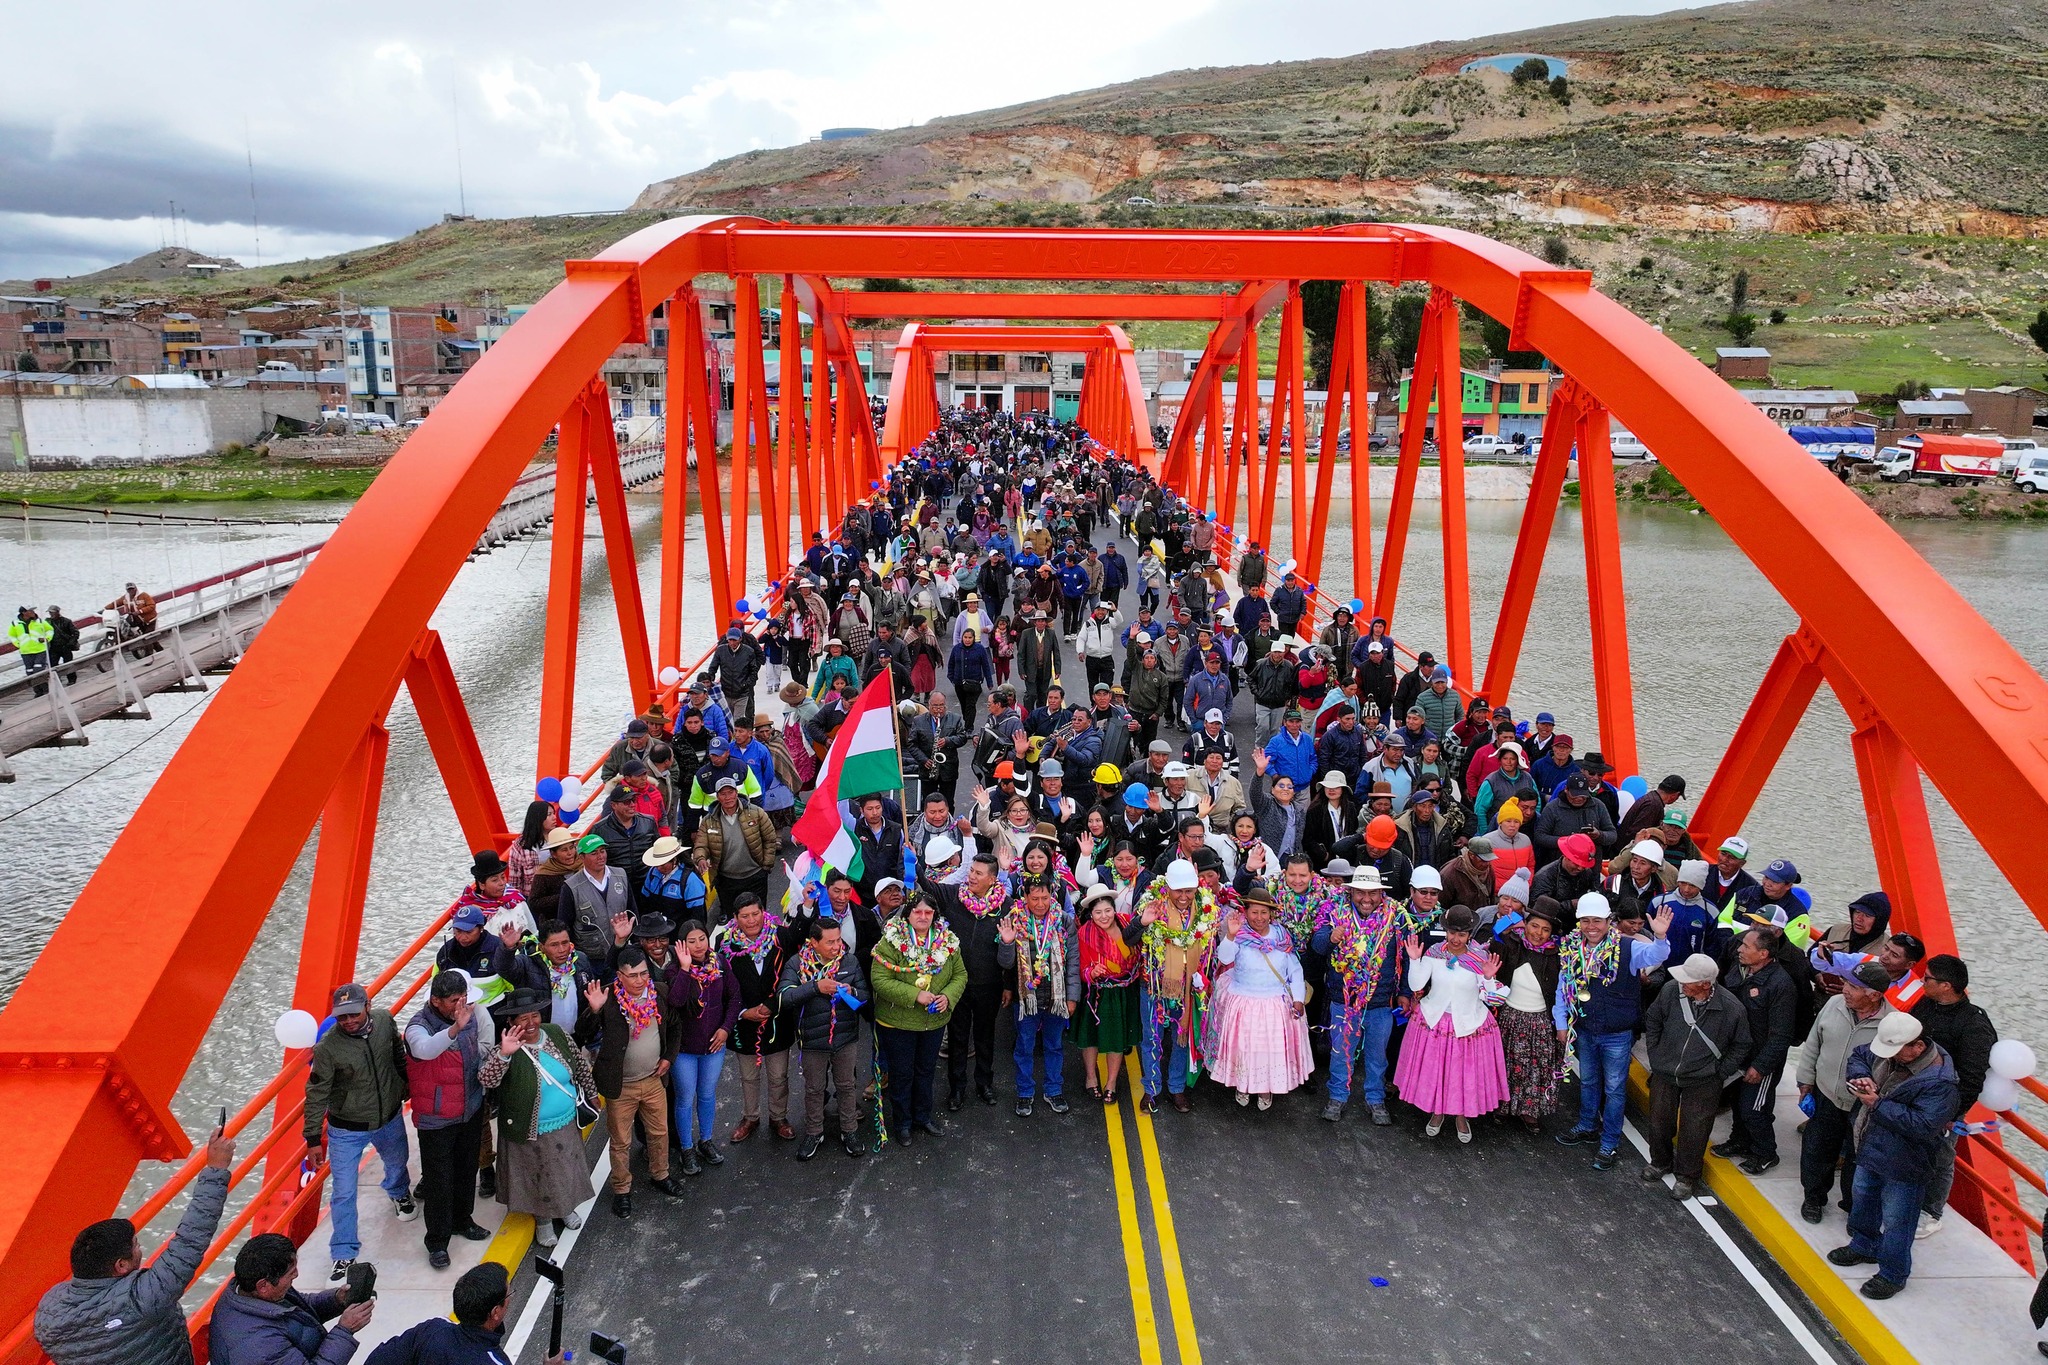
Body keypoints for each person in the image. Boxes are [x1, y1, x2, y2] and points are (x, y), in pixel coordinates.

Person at [35, 1124, 234, 1365]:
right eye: (136, 1245)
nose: (140, 1250)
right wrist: (216, 1169)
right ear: (121, 1265)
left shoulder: (49, 1312)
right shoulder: (143, 1298)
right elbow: (191, 1238)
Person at [1827, 1013, 1961, 1300]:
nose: (1891, 1056)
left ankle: (1893, 1274)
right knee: (1863, 1198)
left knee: (1898, 1219)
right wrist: (1860, 1076)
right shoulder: (1891, 1055)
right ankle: (1864, 1245)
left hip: (1906, 1163)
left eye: (1897, 1051)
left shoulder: (1940, 1082)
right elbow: (1860, 1055)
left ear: (1918, 1046)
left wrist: (1877, 1104)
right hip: (1872, 1147)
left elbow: (1923, 1126)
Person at [1553, 893, 1673, 1171]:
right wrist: (1561, 1023)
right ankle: (1586, 1125)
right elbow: (1563, 987)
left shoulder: (1628, 948)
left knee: (1615, 1089)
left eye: (1597, 920)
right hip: (1584, 1029)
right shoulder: (1571, 949)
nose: (1591, 926)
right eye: (1585, 920)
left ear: (1610, 921)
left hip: (1617, 1033)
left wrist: (1660, 937)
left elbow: (1657, 954)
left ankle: (1609, 1142)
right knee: (1589, 1082)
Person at [304, 983, 415, 1282]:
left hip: (389, 1116)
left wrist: (409, 1088)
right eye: (342, 1017)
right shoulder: (327, 1048)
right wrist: (313, 1137)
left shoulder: (385, 1022)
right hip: (346, 1128)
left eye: (353, 1013)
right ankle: (343, 1252)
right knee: (343, 1191)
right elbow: (316, 1092)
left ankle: (398, 1191)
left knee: (397, 1160)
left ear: (367, 1006)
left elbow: (398, 1057)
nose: (349, 1021)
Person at [478, 984, 599, 1250]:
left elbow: (579, 1066)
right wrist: (503, 1055)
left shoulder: (556, 1033)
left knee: (565, 1169)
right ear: (511, 1021)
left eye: (534, 1015)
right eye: (523, 1018)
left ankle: (565, 1208)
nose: (531, 1022)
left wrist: (591, 1095)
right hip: (529, 1129)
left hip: (565, 1121)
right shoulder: (505, 1048)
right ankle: (543, 1220)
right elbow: (486, 1079)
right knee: (538, 1175)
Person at [1642, 953, 1751, 1201]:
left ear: (1705, 983)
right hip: (1665, 1072)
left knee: (1696, 1129)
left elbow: (1742, 1045)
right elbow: (1654, 1018)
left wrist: (1719, 1072)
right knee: (1659, 1121)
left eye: (1688, 981)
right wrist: (1656, 1055)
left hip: (1704, 1079)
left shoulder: (1732, 1009)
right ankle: (1660, 1162)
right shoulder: (1671, 991)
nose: (1682, 984)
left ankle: (1687, 1177)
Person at [1394, 905, 1509, 1142]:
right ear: (1445, 931)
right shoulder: (1435, 953)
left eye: (1462, 934)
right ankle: (1437, 1113)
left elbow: (1493, 999)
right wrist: (1415, 962)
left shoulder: (1480, 958)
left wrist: (1488, 979)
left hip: (1468, 1024)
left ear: (1469, 934)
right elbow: (1417, 985)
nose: (1456, 939)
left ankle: (1460, 1116)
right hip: (1435, 1020)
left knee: (1462, 1075)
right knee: (1438, 1072)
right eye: (1452, 933)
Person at [404, 972, 493, 1270]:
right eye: (454, 1001)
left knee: (467, 1171)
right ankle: (437, 1241)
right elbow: (425, 1050)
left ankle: (463, 1220)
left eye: (463, 999)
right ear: (435, 1001)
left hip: (469, 1110)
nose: (461, 1005)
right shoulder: (417, 1026)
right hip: (437, 1119)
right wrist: (456, 1028)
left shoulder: (470, 1015)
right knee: (439, 1180)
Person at [1796, 961, 1894, 1225]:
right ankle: (1814, 1199)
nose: (1845, 989)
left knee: (1856, 1157)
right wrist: (1805, 1081)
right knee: (1817, 1150)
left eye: (1853, 986)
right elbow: (1813, 1043)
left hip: (1861, 1106)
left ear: (1874, 995)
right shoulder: (1833, 1004)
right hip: (1825, 1093)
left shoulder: (1890, 1024)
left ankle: (1853, 1206)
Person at [590, 946, 685, 1218]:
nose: (640, 981)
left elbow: (676, 1025)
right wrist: (594, 1011)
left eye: (644, 973)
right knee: (620, 1141)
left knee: (659, 1133)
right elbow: (585, 1034)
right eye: (632, 976)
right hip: (622, 1086)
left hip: (654, 1079)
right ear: (620, 975)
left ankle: (660, 1174)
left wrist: (669, 1057)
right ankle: (621, 1190)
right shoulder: (607, 998)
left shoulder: (660, 993)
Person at [1910, 953, 1998, 1239]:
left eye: (1928, 979)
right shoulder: (1927, 1004)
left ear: (1946, 986)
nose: (1923, 982)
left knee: (1940, 1157)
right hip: (1912, 1090)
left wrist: (1950, 1114)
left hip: (1944, 1103)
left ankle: (1931, 1212)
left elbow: (1972, 1078)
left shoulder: (1974, 1026)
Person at [870, 895, 965, 1143]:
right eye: (917, 912)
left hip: (932, 1022)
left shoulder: (946, 940)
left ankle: (923, 1117)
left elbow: (960, 975)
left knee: (925, 1071)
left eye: (928, 912)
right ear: (907, 915)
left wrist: (947, 996)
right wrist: (915, 995)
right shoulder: (891, 941)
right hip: (897, 1022)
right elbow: (879, 980)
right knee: (902, 1073)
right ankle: (902, 1123)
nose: (923, 917)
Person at [1204, 888, 1311, 1109]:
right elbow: (1224, 958)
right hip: (1244, 1001)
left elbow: (1295, 971)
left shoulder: (1282, 937)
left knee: (1268, 1050)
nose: (1259, 918)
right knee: (1244, 1048)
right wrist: (1230, 936)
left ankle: (1265, 1089)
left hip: (1274, 1004)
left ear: (1271, 914)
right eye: (1254, 912)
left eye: (1264, 912)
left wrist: (1298, 998)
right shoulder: (1239, 936)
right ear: (1246, 913)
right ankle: (1242, 1085)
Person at [1313, 866, 1404, 1126]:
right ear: (1351, 892)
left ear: (1381, 893)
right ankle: (1337, 1096)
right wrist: (1331, 936)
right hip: (1343, 1001)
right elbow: (1318, 946)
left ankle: (1375, 1099)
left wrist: (1406, 992)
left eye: (1373, 893)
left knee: (1377, 1056)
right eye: (1361, 893)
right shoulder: (1335, 913)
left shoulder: (1396, 917)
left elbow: (1407, 957)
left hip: (1380, 1002)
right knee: (1341, 1052)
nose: (1367, 899)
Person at [1709, 927, 1799, 1176]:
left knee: (1754, 1109)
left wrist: (1761, 1066)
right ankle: (1740, 1141)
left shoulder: (1780, 985)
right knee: (1738, 1102)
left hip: (1761, 1059)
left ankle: (1765, 1153)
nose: (1739, 949)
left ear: (1763, 954)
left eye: (1746, 947)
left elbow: (1781, 1035)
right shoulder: (1741, 972)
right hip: (1739, 1053)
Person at [779, 916, 871, 1160]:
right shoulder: (796, 964)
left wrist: (853, 992)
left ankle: (849, 1130)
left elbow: (865, 996)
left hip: (845, 1038)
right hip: (812, 1041)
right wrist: (815, 987)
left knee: (847, 1087)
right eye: (830, 942)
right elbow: (785, 997)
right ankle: (814, 1132)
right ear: (814, 942)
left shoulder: (849, 961)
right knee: (814, 1089)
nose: (836, 946)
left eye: (838, 939)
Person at [208, 1231, 375, 1364]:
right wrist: (345, 1330)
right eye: (291, 1274)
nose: (296, 1275)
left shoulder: (254, 1292)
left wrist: (337, 1300)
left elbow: (299, 1307)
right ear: (263, 1286)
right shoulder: (259, 1345)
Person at [1135, 859, 1222, 1113]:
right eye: (1178, 891)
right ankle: (1151, 1089)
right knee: (1152, 1038)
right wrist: (1143, 922)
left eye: (1189, 891)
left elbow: (1210, 948)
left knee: (1182, 1037)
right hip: (1154, 985)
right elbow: (1131, 936)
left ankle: (1176, 1088)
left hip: (1187, 989)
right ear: (1168, 888)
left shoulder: (1206, 908)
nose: (1183, 897)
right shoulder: (1152, 904)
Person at [715, 894, 801, 1141]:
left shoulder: (781, 936)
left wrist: (773, 1005)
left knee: (778, 1076)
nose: (751, 920)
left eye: (755, 914)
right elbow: (721, 986)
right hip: (744, 1023)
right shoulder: (723, 944)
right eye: (745, 916)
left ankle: (778, 1117)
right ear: (735, 918)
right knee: (749, 1077)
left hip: (777, 1018)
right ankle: (750, 1117)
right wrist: (743, 1012)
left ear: (763, 911)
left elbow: (792, 974)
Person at [363, 1262, 567, 1365]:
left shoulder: (432, 1330)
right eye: (509, 1293)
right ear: (495, 1312)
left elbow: (377, 1360)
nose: (511, 1298)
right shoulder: (492, 1361)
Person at [999, 879, 1083, 1116]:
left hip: (1057, 997)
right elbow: (1005, 963)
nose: (1039, 904)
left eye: (1044, 898)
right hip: (1026, 999)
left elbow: (1073, 961)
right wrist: (1006, 943)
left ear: (1052, 897)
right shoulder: (1014, 920)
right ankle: (1025, 1093)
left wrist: (1072, 996)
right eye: (1034, 899)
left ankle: (1053, 1089)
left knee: (1054, 1046)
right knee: (1024, 1047)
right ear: (1024, 897)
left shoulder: (1064, 921)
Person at [667, 919, 740, 1176]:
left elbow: (734, 998)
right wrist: (686, 970)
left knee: (707, 1095)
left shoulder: (720, 963)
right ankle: (687, 1148)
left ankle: (705, 1141)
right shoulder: (673, 971)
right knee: (685, 1098)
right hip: (685, 1050)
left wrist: (725, 1029)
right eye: (691, 941)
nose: (698, 946)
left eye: (702, 939)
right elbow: (675, 1001)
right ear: (681, 945)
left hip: (714, 1046)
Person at [692, 776, 777, 924]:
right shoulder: (708, 821)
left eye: (730, 792)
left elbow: (770, 839)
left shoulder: (756, 813)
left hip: (755, 877)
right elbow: (701, 845)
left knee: (758, 919)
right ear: (717, 796)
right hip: (727, 881)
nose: (727, 797)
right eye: (723, 794)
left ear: (736, 793)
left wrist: (766, 867)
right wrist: (700, 858)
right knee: (735, 922)